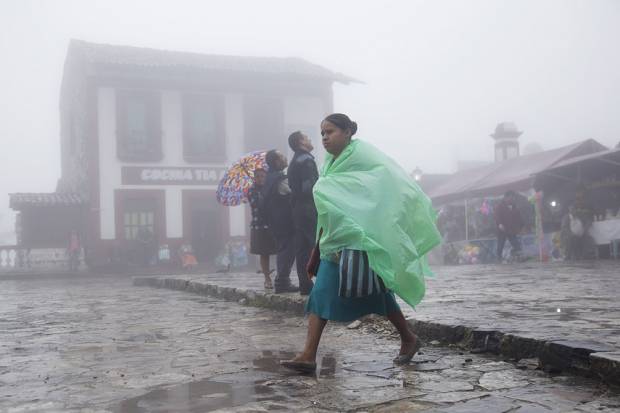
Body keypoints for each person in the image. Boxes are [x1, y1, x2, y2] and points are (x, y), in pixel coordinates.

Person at [281, 113, 441, 373]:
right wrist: (317, 250)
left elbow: (379, 191)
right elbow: (330, 206)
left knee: (375, 291)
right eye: (322, 133)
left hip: (361, 238)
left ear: (347, 132)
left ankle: (408, 338)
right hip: (336, 240)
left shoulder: (362, 158)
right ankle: (309, 355)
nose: (324, 137)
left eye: (330, 131)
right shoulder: (331, 164)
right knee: (329, 292)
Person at [262, 150, 299, 294]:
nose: (285, 158)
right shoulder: (280, 179)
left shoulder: (269, 178)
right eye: (282, 156)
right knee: (287, 251)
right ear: (277, 162)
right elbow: (294, 193)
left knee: (283, 249)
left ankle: (282, 280)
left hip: (275, 221)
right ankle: (282, 281)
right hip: (285, 221)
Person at [287, 131, 319, 295]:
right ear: (301, 142)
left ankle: (305, 283)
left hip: (298, 208)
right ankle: (320, 282)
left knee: (303, 248)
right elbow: (310, 187)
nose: (310, 139)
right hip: (308, 207)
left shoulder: (294, 161)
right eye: (307, 137)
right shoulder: (306, 160)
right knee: (314, 244)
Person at [248, 167, 277, 289]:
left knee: (278, 250)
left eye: (263, 176)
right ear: (254, 178)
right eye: (258, 176)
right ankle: (267, 278)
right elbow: (258, 204)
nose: (260, 178)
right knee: (264, 253)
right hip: (259, 226)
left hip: (273, 224)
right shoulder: (252, 191)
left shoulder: (270, 188)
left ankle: (281, 276)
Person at [494, 191, 524, 262]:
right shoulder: (499, 206)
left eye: (513, 197)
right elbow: (496, 216)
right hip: (502, 229)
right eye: (510, 197)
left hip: (511, 229)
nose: (512, 199)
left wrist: (522, 226)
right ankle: (499, 258)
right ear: (506, 197)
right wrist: (500, 224)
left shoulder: (514, 207)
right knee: (500, 245)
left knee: (516, 244)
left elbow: (518, 217)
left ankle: (516, 255)